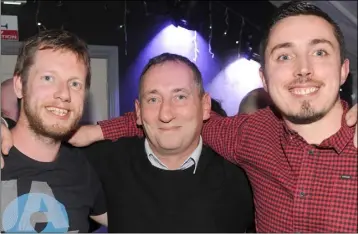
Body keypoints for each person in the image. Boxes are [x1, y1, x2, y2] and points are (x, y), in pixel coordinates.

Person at [45, 2, 357, 233]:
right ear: (264, 76)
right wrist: (95, 131)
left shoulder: (234, 170)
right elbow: (168, 122)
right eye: (284, 56)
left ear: (344, 69)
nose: (303, 68)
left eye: (319, 52)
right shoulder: (251, 136)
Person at [1, 53, 255, 232]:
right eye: (153, 100)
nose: (166, 114)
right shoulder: (98, 162)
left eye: (180, 96)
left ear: (205, 106)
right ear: (138, 111)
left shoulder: (244, 177)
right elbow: (37, 143)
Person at [1, 29, 107, 233]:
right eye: (48, 78)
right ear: (19, 86)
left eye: (75, 83)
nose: (63, 94)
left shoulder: (82, 169)